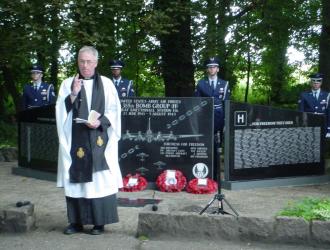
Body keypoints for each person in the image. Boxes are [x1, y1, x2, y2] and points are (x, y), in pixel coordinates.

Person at [56, 46, 123, 235]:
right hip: (75, 140)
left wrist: (100, 122)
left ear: (96, 62)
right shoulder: (68, 83)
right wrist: (74, 93)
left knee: (99, 181)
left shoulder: (107, 84)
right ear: (77, 62)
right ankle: (76, 222)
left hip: (99, 139)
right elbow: (61, 111)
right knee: (77, 181)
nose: (85, 66)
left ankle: (99, 223)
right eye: (81, 61)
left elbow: (114, 110)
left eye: (88, 62)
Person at [195, 57, 230, 178]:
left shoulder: (224, 84)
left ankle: (216, 176)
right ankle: (205, 174)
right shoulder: (201, 83)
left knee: (217, 147)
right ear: (207, 69)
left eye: (214, 66)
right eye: (210, 67)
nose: (212, 69)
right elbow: (197, 103)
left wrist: (226, 122)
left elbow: (226, 104)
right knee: (205, 145)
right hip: (205, 118)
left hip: (219, 118)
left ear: (218, 69)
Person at [298, 73, 330, 137]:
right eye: (314, 81)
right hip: (309, 125)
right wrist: (302, 127)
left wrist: (329, 129)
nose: (316, 83)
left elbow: (329, 113)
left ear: (321, 82)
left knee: (323, 146)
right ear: (310, 82)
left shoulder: (327, 95)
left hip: (323, 126)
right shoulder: (304, 95)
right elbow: (301, 112)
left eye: (318, 81)